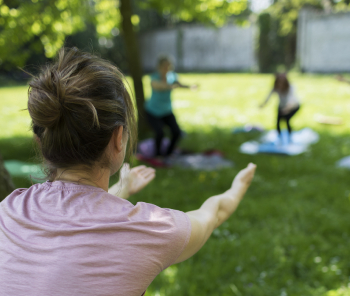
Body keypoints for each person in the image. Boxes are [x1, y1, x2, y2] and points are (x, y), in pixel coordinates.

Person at [0, 47, 256, 296]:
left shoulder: (8, 211)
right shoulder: (149, 231)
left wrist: (121, 190)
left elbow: (75, 224)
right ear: (118, 137)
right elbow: (210, 216)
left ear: (40, 142)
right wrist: (237, 188)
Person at [145, 56, 197, 159]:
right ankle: (157, 155)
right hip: (153, 111)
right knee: (160, 133)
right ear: (159, 67)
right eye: (165, 66)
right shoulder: (155, 77)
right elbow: (157, 86)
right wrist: (170, 86)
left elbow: (179, 84)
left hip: (166, 111)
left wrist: (190, 87)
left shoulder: (172, 76)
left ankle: (168, 153)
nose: (167, 68)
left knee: (176, 132)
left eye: (169, 66)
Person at [260, 73, 300, 142]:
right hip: (282, 106)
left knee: (286, 120)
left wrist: (287, 108)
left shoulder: (290, 87)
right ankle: (279, 138)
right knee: (278, 121)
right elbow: (269, 96)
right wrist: (263, 104)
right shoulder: (275, 87)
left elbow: (291, 99)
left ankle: (290, 138)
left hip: (293, 106)